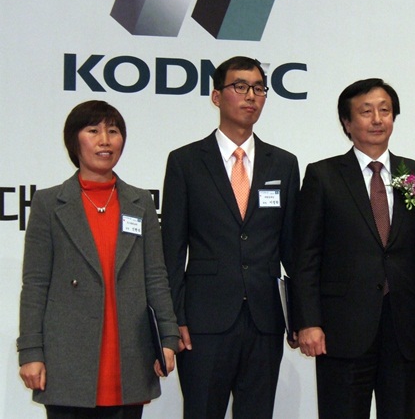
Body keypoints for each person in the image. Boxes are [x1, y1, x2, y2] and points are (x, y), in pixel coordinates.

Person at [291, 78, 415, 419]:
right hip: (342, 328)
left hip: (404, 326)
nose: (377, 119)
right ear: (347, 123)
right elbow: (306, 257)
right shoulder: (323, 176)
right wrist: (308, 321)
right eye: (366, 112)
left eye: (385, 110)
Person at [17, 100, 179, 419]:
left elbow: (155, 277)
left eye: (113, 131)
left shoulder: (140, 203)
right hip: (67, 359)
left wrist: (168, 337)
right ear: (74, 141)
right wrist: (31, 352)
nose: (105, 141)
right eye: (93, 131)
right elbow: (35, 285)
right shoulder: (49, 203)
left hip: (129, 357)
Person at [161, 56, 300, 419]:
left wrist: (300, 315)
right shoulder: (186, 162)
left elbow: (294, 251)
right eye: (240, 86)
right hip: (203, 322)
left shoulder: (284, 164)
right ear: (216, 96)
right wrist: (173, 318)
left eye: (258, 88)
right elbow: (171, 251)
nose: (251, 96)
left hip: (265, 319)